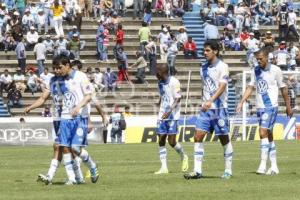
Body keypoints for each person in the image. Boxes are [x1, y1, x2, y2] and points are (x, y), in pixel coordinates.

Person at [236, 47, 293, 175]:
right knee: (268, 135)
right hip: (260, 107)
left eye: (261, 59)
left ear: (267, 57)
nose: (259, 61)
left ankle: (262, 164)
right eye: (257, 59)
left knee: (262, 133)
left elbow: (283, 89)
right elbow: (250, 87)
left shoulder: (276, 70)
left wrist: (288, 107)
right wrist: (241, 102)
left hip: (271, 106)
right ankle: (274, 166)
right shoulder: (255, 70)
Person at [184, 40, 233, 180]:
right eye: (204, 51)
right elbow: (204, 87)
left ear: (215, 51)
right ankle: (197, 171)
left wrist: (211, 100)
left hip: (219, 109)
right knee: (197, 136)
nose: (204, 53)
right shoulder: (203, 68)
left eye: (207, 51)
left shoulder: (223, 66)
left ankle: (228, 170)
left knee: (224, 139)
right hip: (205, 110)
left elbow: (222, 86)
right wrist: (203, 101)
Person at [154, 64, 188, 175]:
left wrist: (169, 111)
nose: (155, 73)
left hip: (172, 115)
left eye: (157, 71)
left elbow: (178, 99)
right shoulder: (160, 82)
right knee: (161, 139)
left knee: (172, 141)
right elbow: (163, 94)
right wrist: (159, 103)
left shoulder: (174, 82)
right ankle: (164, 167)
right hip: (162, 115)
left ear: (163, 72)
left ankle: (184, 156)